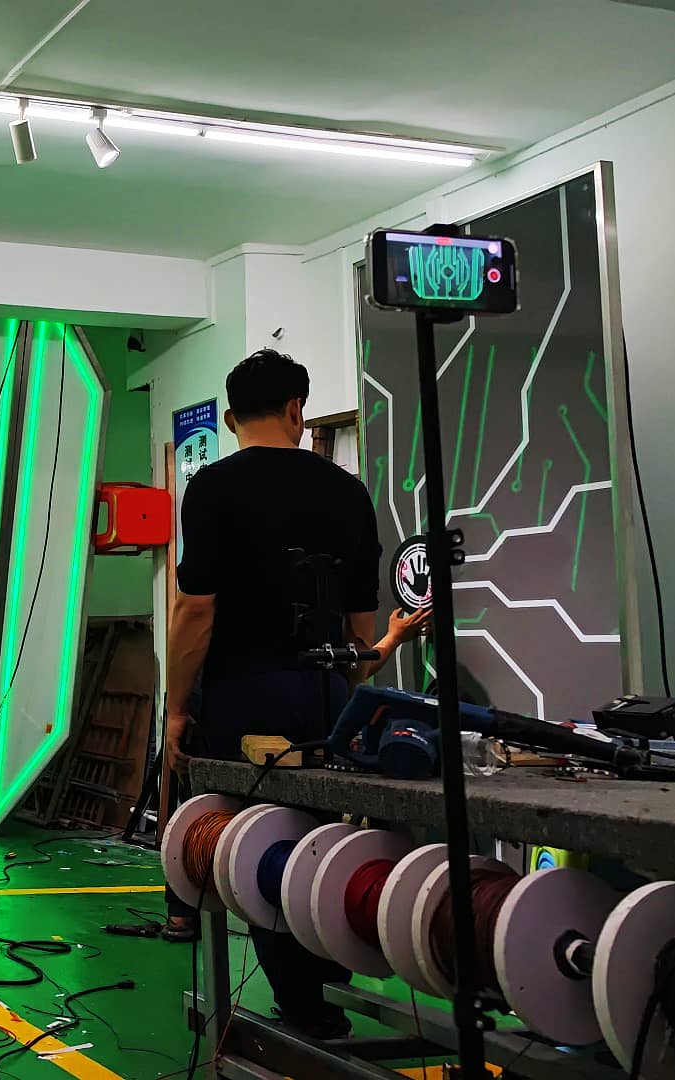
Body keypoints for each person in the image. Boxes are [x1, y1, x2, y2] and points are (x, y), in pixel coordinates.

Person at [160, 349, 428, 1037]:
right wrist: (355, 680)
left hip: (240, 696)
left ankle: (304, 1005)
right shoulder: (347, 491)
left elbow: (196, 611)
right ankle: (326, 980)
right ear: (296, 410)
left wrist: (176, 708)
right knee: (324, 836)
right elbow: (360, 628)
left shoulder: (212, 487)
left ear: (230, 419)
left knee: (260, 845)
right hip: (326, 695)